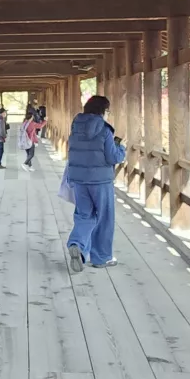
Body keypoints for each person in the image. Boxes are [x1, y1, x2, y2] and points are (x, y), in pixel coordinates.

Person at [66, 95, 126, 272]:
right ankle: (101, 258)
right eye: (108, 111)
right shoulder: (105, 130)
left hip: (79, 180)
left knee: (84, 215)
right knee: (104, 218)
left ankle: (77, 244)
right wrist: (122, 148)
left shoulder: (76, 126)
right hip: (101, 181)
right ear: (103, 111)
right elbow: (113, 157)